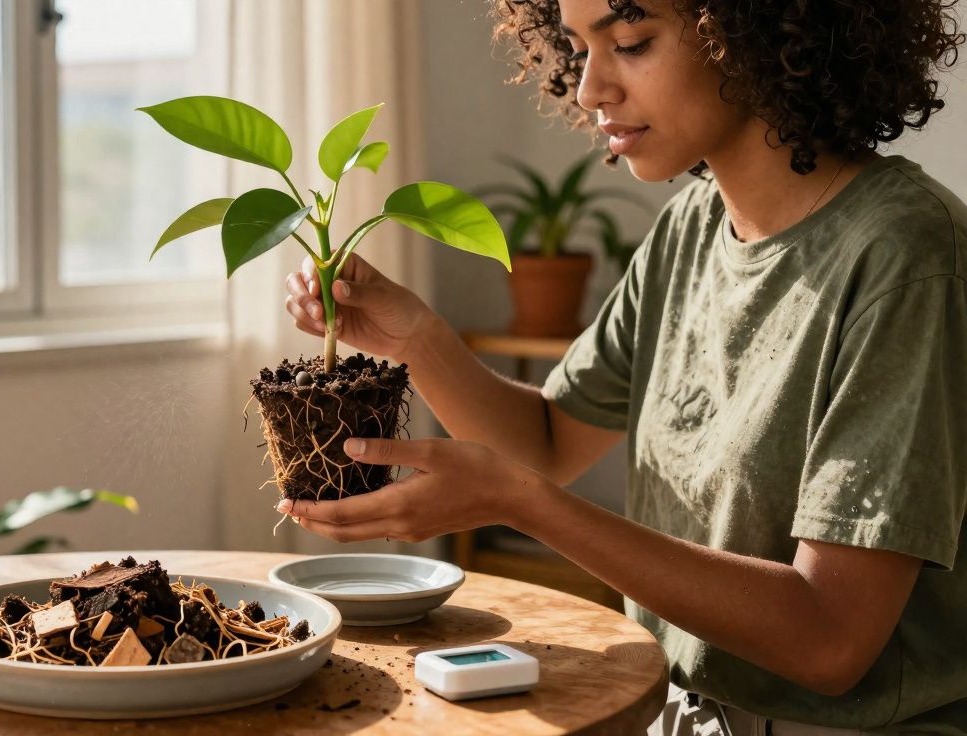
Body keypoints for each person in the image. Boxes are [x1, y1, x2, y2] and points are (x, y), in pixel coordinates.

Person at [278, 0, 967, 732]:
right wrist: (416, 337)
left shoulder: (908, 256)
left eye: (632, 42)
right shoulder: (690, 229)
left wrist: (521, 503)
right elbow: (546, 442)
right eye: (578, 47)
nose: (589, 87)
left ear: (755, 33)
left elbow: (830, 637)